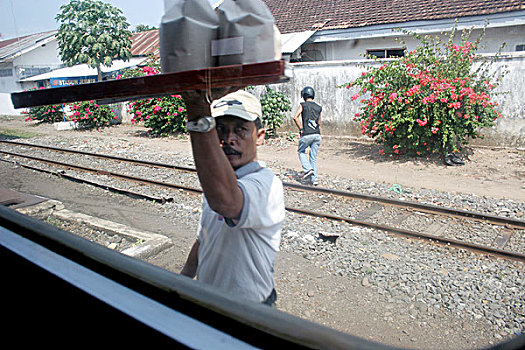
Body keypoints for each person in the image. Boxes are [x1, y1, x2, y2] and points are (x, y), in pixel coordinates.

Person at [180, 89, 285, 307]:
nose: (229, 139)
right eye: (220, 130)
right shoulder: (217, 181)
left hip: (248, 312)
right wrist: (181, 281)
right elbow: (205, 238)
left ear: (260, 136)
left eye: (240, 130)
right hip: (208, 302)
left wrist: (198, 110)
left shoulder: (267, 184)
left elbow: (226, 202)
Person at [293, 86, 322, 185]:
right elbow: (319, 122)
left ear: (304, 95)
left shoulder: (303, 105)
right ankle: (315, 179)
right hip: (317, 135)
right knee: (313, 157)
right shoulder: (319, 107)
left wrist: (301, 128)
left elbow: (295, 117)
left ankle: (308, 169)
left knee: (301, 151)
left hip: (306, 134)